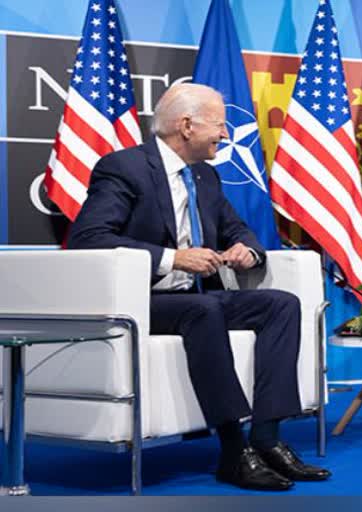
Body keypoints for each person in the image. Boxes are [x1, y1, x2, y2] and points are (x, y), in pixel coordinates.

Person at [68, 83, 330, 490]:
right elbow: (89, 236)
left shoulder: (205, 176)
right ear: (186, 126)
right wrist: (173, 258)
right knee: (203, 310)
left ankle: (267, 440)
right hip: (142, 302)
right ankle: (232, 449)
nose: (225, 135)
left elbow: (237, 228)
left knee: (280, 304)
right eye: (220, 125)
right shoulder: (125, 168)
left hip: (194, 298)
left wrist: (248, 250)